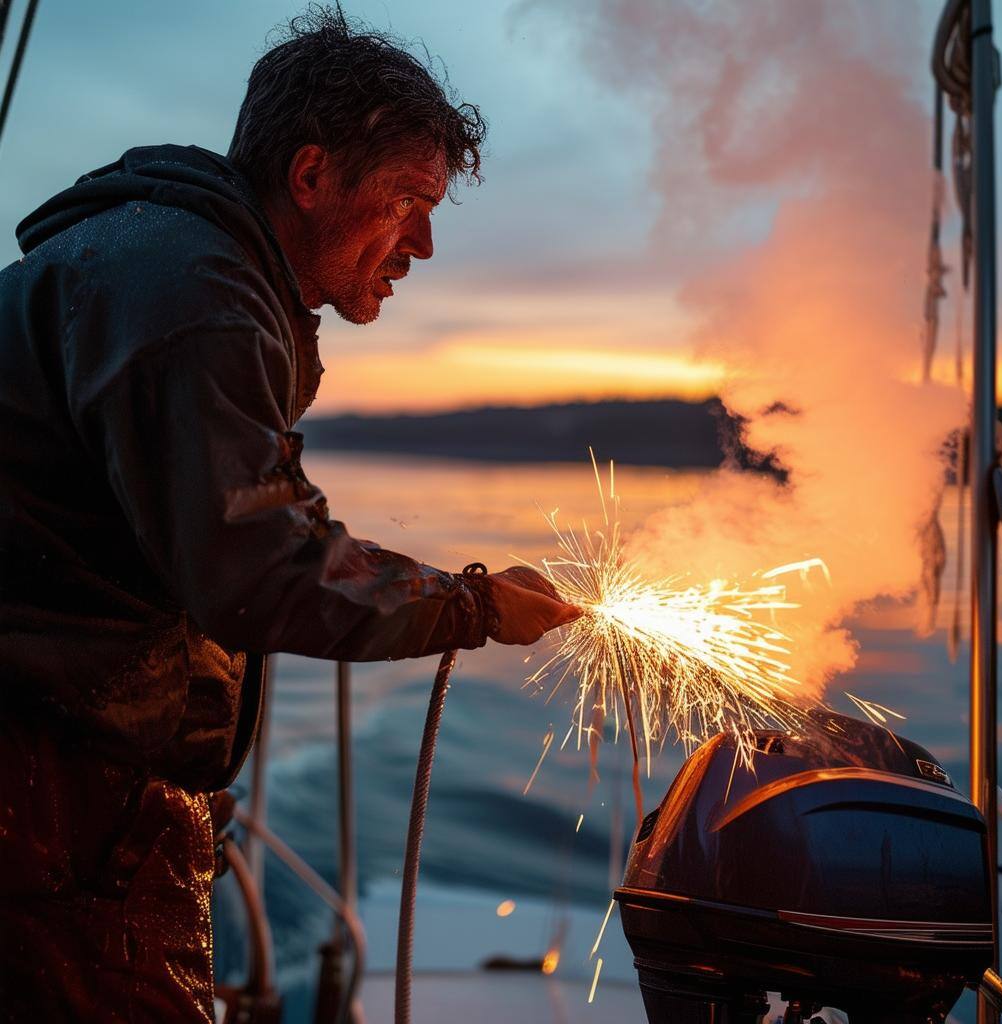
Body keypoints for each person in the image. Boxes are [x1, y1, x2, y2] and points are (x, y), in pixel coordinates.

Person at [0, 7, 578, 1021]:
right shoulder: (195, 297)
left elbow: (246, 535)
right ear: (312, 176)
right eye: (407, 199)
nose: (425, 243)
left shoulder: (163, 261)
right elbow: (260, 567)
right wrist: (473, 607)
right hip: (51, 812)